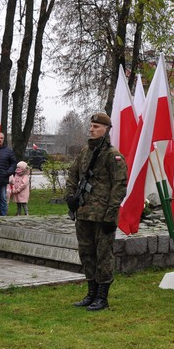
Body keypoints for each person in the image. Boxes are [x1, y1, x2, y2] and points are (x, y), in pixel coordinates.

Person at [65, 112, 128, 311]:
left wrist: (111, 214)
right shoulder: (85, 152)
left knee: (103, 255)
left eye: (96, 127)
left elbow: (119, 185)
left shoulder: (113, 155)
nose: (92, 129)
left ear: (106, 130)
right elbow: (73, 175)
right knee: (87, 253)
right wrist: (70, 198)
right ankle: (91, 292)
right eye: (91, 126)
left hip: (103, 215)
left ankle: (102, 296)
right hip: (84, 212)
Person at [0, 132, 17, 216]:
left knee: (3, 198)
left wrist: (8, 172)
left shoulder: (8, 151)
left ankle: (3, 214)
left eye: (1, 138)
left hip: (3, 178)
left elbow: (14, 163)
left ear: (3, 139)